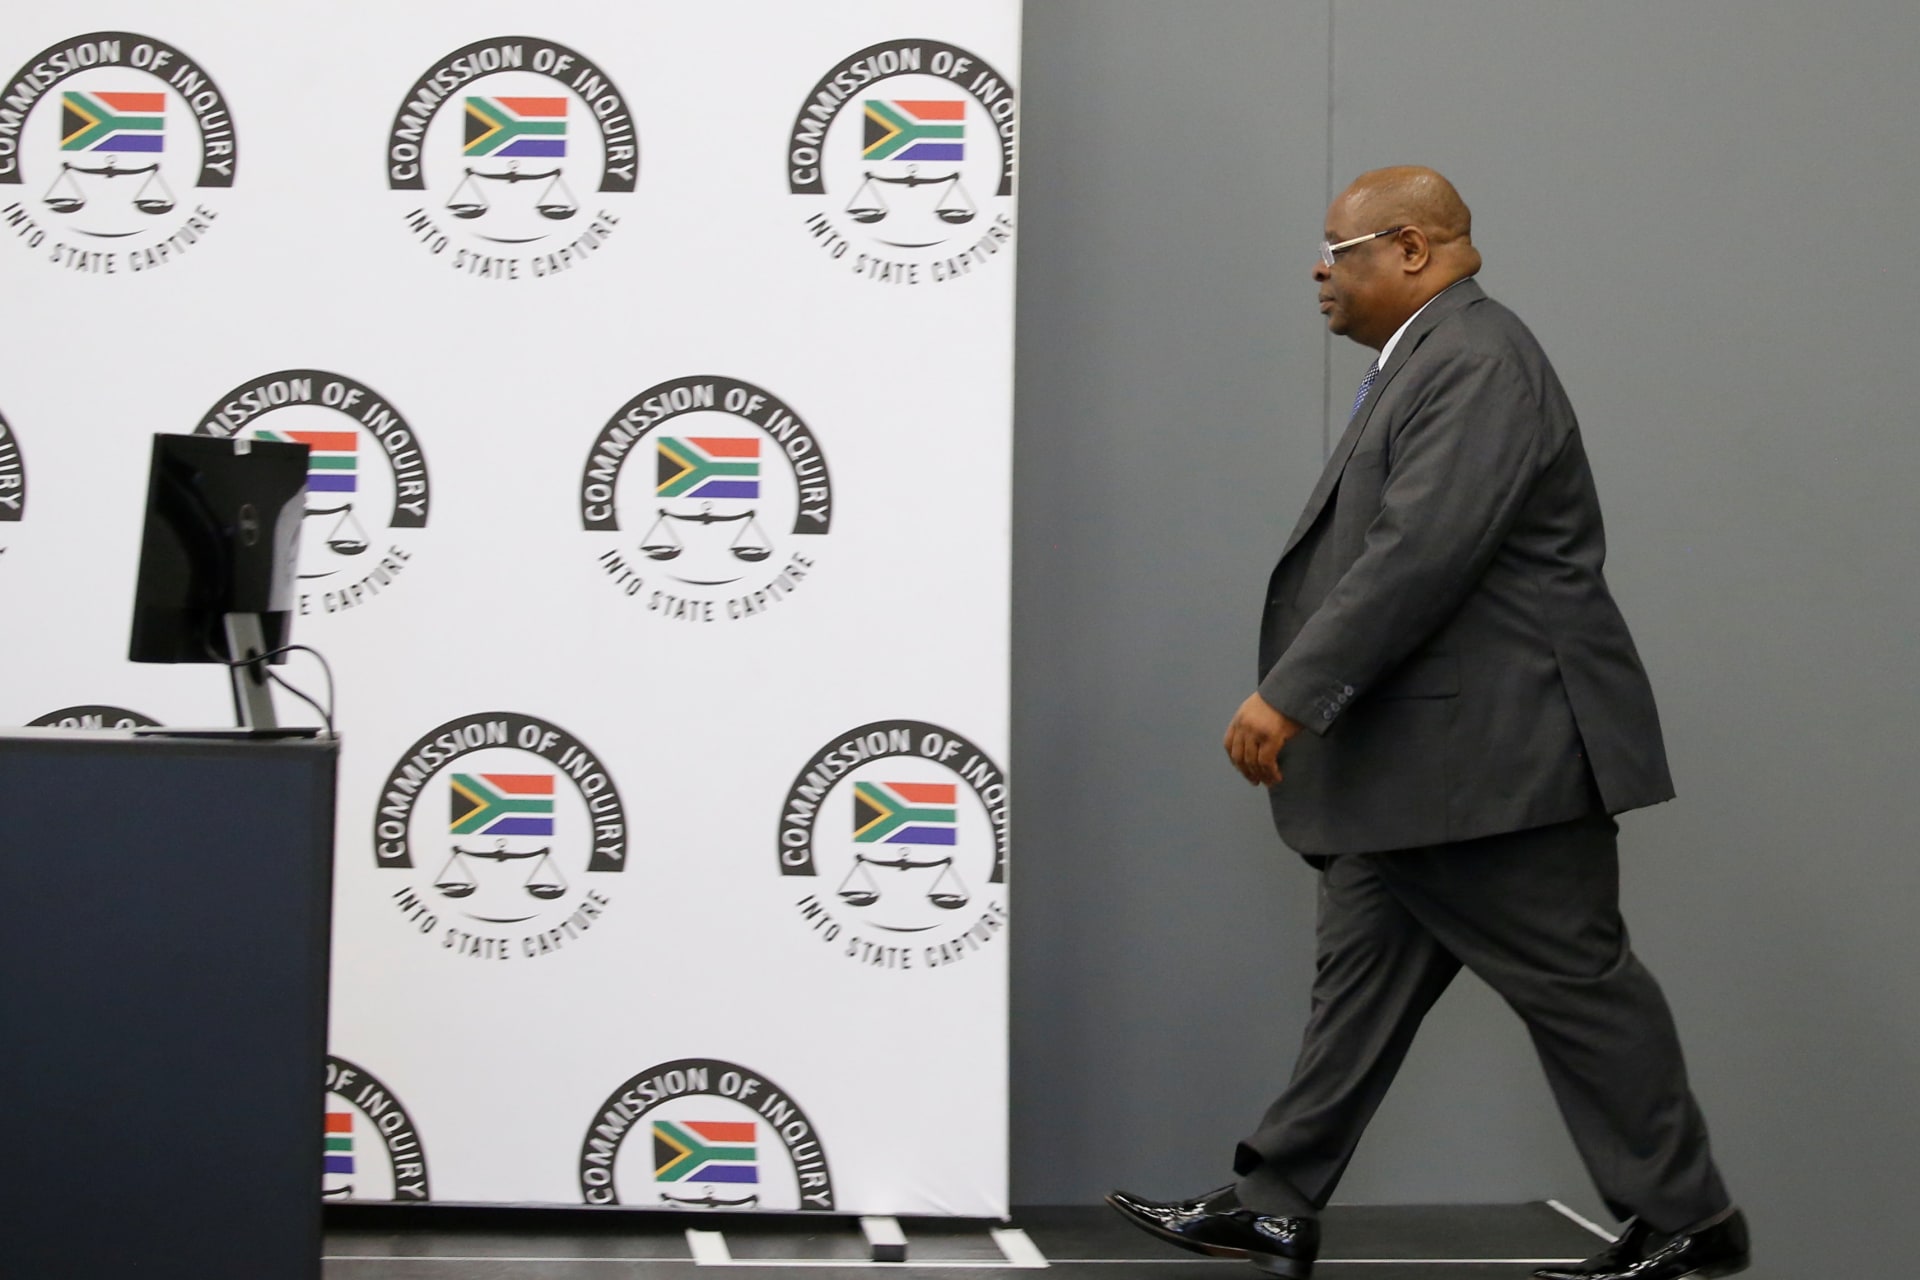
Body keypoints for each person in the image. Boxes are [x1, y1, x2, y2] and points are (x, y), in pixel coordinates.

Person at [1106, 168, 1749, 1280]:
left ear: (1409, 248)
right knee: (1361, 970)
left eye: (1337, 247)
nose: (1321, 269)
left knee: (1578, 983)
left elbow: (1421, 551)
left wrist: (1291, 692)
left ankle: (1687, 1217)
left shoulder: (1478, 358)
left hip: (1498, 760)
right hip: (1433, 767)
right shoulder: (1435, 358)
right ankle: (1277, 1196)